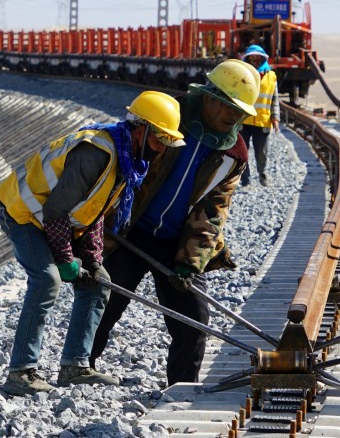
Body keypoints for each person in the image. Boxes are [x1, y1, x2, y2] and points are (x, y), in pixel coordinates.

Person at [0, 91, 186, 396]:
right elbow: (57, 210)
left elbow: (93, 213)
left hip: (50, 216)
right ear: (141, 129)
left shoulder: (127, 160)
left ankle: (75, 366)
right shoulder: (96, 152)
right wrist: (66, 259)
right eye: (159, 139)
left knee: (99, 282)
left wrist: (93, 261)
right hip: (24, 213)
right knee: (47, 279)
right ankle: (21, 372)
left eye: (166, 141)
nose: (162, 147)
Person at [90, 59, 260, 384]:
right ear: (211, 97)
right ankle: (78, 367)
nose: (234, 117)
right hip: (131, 232)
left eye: (240, 112)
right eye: (230, 108)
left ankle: (182, 390)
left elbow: (213, 212)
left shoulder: (233, 154)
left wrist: (191, 263)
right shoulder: (169, 117)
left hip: (177, 245)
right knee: (103, 303)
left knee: (194, 322)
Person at [239, 44, 280, 187]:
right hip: (244, 121)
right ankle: (245, 180)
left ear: (263, 58)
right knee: (243, 153)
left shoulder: (271, 76)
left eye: (258, 57)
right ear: (248, 58)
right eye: (252, 57)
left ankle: (263, 175)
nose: (255, 59)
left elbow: (274, 99)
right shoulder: (242, 75)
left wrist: (275, 118)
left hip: (263, 121)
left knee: (261, 153)